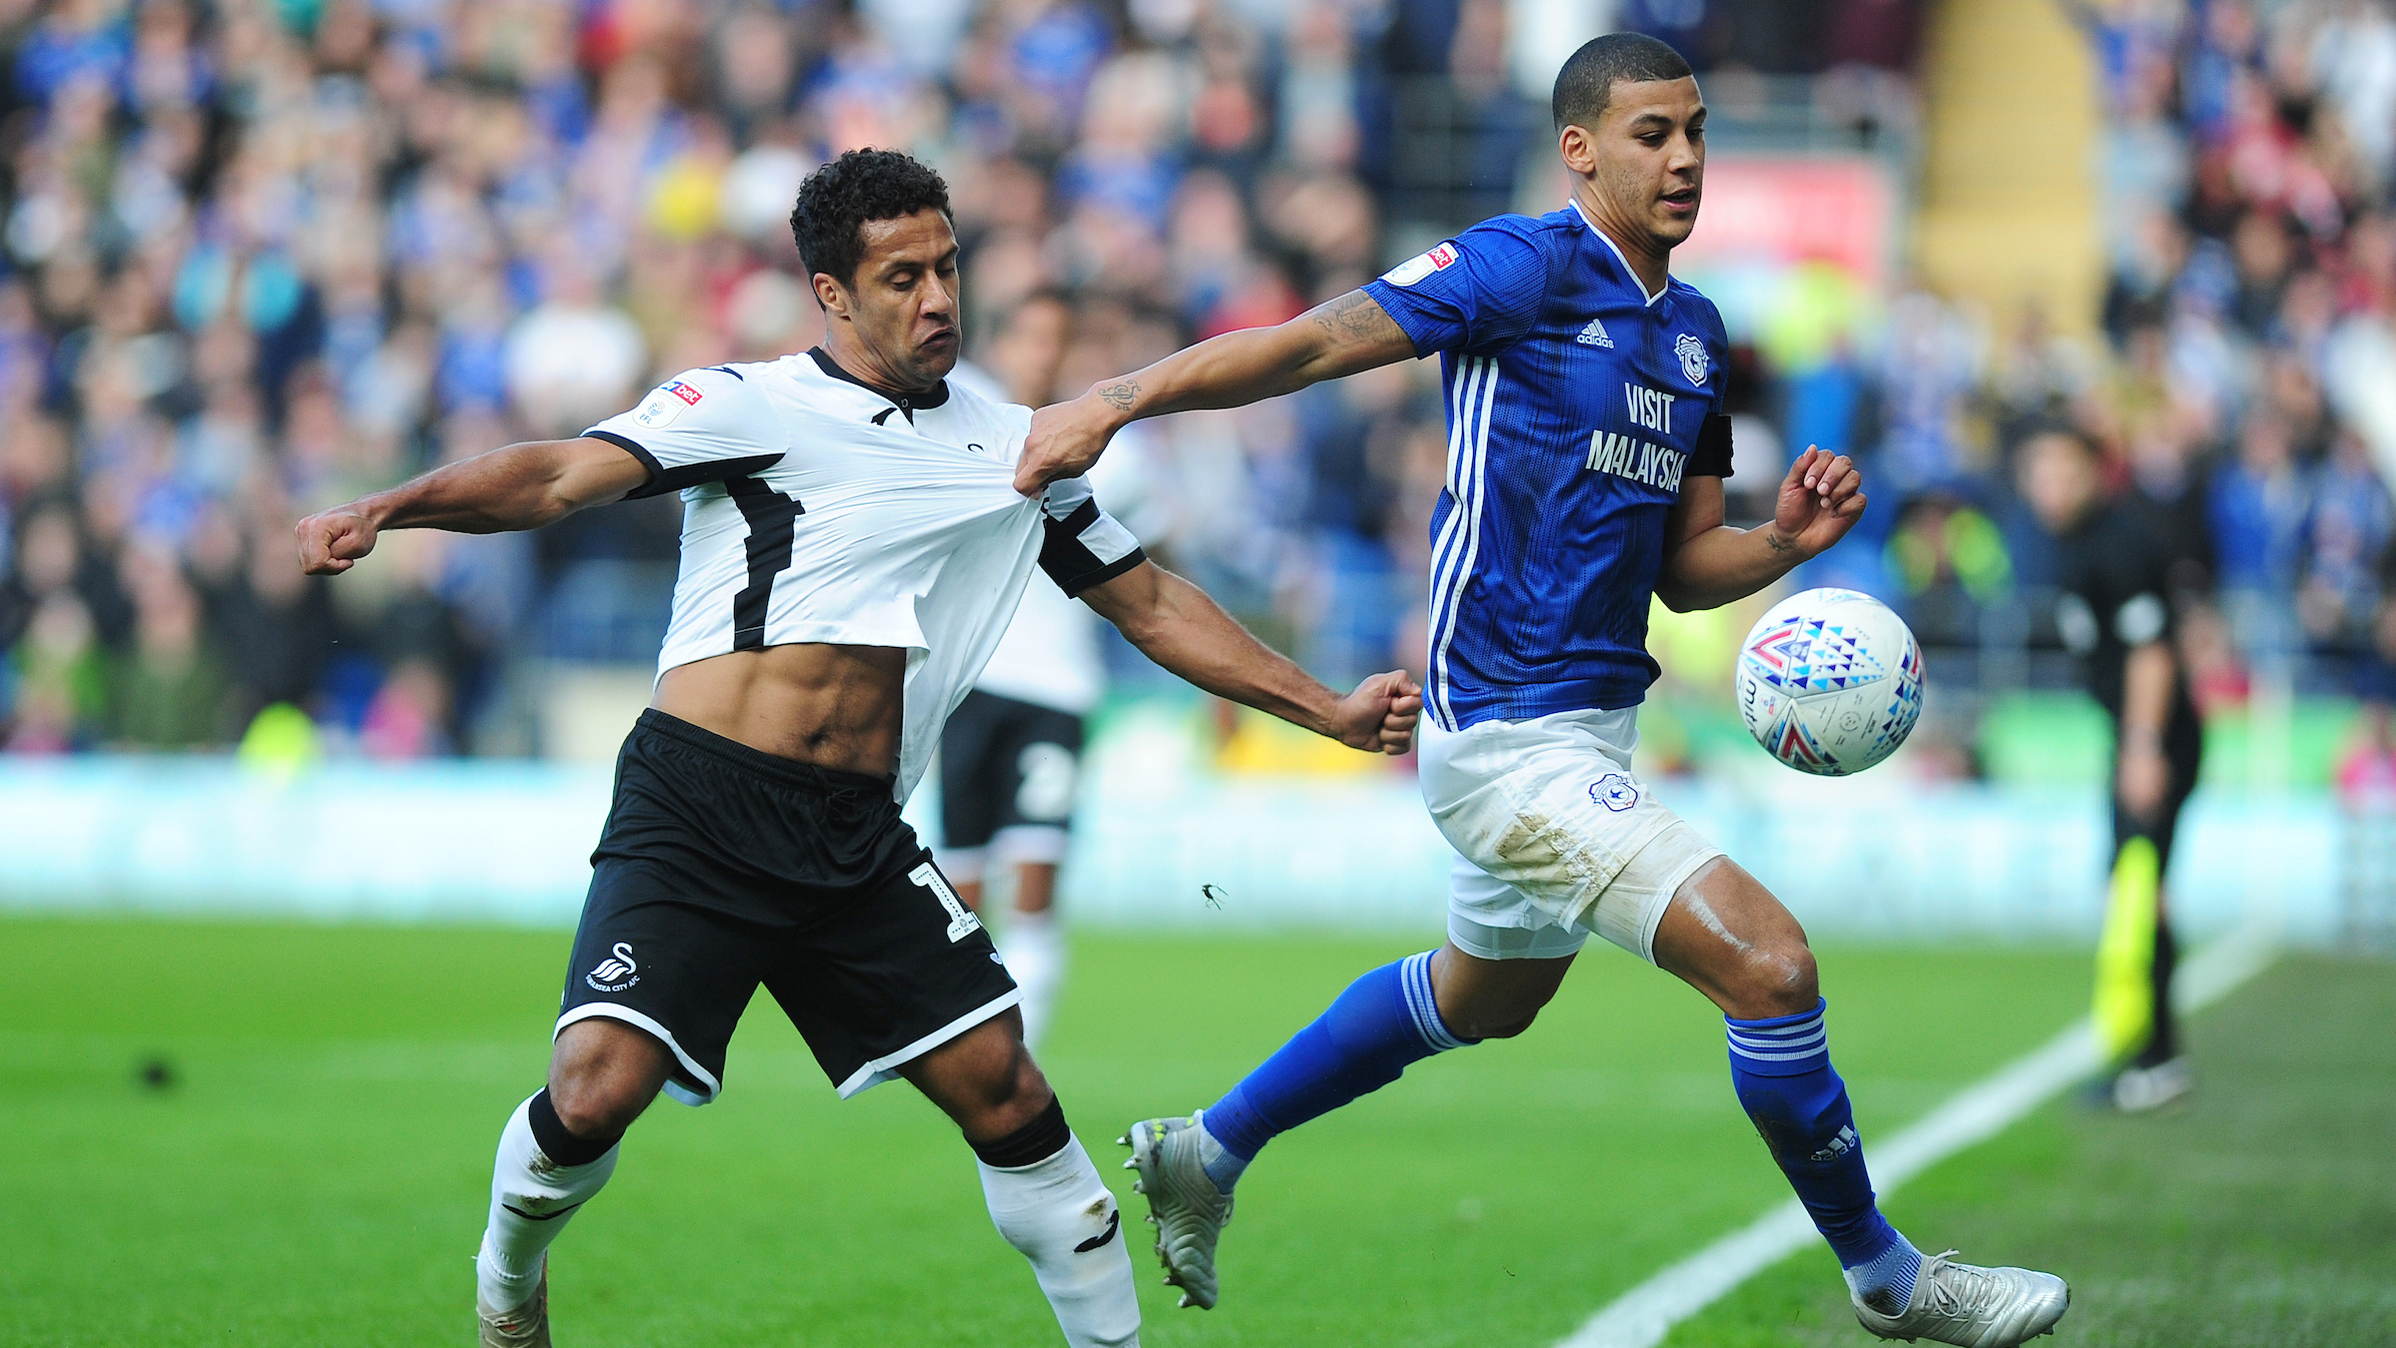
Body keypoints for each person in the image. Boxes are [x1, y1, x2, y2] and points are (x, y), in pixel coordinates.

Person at [1017, 34, 2070, 1348]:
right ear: (1581, 149)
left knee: (1484, 998)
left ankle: (1208, 1150)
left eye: (1694, 132)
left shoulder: (1698, 336)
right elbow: (1304, 348)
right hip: (1505, 737)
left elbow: (1684, 570)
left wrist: (1786, 545)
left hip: (1593, 725)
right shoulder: (1518, 266)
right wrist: (1116, 399)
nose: (1683, 158)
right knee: (1771, 966)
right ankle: (1890, 1279)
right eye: (1651, 135)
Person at [295, 149, 1421, 1348]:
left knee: (1009, 1090)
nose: (938, 299)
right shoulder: (745, 404)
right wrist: (391, 505)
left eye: (947, 267)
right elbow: (561, 474)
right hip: (698, 806)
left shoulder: (1016, 447)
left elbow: (1147, 600)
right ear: (831, 295)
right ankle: (507, 1281)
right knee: (594, 1091)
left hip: (853, 830)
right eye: (901, 278)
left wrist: (1327, 711)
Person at [940, 291, 1143, 1050]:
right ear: (1003, 342)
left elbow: (1155, 556)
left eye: (1057, 338)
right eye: (1030, 336)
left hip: (1059, 689)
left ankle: (1019, 1053)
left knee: (1034, 880)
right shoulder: (961, 421)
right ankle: (968, 1036)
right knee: (962, 886)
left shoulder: (1104, 439)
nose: (1044, 352)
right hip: (968, 682)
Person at [2019, 426, 2203, 1112]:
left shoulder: (2120, 542)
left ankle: (2153, 1058)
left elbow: (2153, 652)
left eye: (2065, 471)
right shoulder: (2075, 544)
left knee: (2138, 888)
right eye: (2039, 473)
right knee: (2135, 885)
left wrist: (2143, 747)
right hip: (2135, 737)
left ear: (2096, 472)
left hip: (2155, 739)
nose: (2052, 487)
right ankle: (2156, 1054)